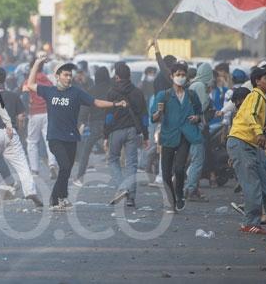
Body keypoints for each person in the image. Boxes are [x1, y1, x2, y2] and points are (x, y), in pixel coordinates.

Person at [25, 54, 125, 211]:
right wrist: (37, 63)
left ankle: (62, 197)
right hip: (55, 137)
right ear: (57, 76)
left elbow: (96, 102)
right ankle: (55, 199)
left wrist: (115, 104)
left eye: (70, 75)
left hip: (71, 138)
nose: (69, 78)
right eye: (65, 75)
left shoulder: (77, 92)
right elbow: (30, 84)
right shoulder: (49, 91)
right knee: (64, 166)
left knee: (67, 169)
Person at [227, 64, 266, 234]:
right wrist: (260, 134)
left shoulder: (261, 98)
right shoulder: (256, 95)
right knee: (253, 184)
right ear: (257, 81)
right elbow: (250, 116)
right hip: (241, 142)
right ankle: (250, 222)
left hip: (247, 144)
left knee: (264, 181)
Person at [0, 67, 43, 207]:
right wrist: (18, 129)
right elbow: (21, 117)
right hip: (11, 133)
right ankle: (30, 190)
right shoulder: (13, 95)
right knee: (22, 165)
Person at [150, 62, 203, 214]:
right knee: (166, 174)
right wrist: (158, 114)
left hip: (185, 136)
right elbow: (153, 117)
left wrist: (196, 118)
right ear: (171, 76)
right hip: (167, 136)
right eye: (177, 74)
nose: (180, 77)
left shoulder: (192, 95)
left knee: (179, 169)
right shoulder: (164, 95)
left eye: (183, 74)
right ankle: (172, 201)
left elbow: (200, 113)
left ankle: (180, 195)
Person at [106, 62, 148, 207]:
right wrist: (146, 135)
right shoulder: (138, 92)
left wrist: (105, 135)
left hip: (116, 131)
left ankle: (122, 187)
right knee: (131, 164)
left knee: (112, 159)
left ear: (117, 77)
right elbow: (144, 116)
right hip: (132, 131)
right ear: (129, 76)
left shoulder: (111, 92)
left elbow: (108, 117)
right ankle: (131, 198)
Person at [74, 66, 112, 186]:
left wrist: (81, 122)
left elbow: (85, 108)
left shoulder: (91, 90)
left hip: (95, 124)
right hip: (111, 124)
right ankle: (121, 180)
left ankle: (80, 177)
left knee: (86, 150)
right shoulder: (113, 90)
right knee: (115, 152)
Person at [24, 58, 58, 178]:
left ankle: (34, 169)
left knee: (32, 141)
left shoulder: (30, 80)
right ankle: (52, 164)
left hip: (34, 113)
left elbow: (24, 92)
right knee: (49, 140)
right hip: (48, 112)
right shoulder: (48, 80)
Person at [185, 63, 214, 202]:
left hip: (189, 127)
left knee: (194, 159)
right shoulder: (201, 86)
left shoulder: (193, 84)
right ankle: (191, 190)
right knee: (198, 160)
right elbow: (202, 107)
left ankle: (191, 188)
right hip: (197, 128)